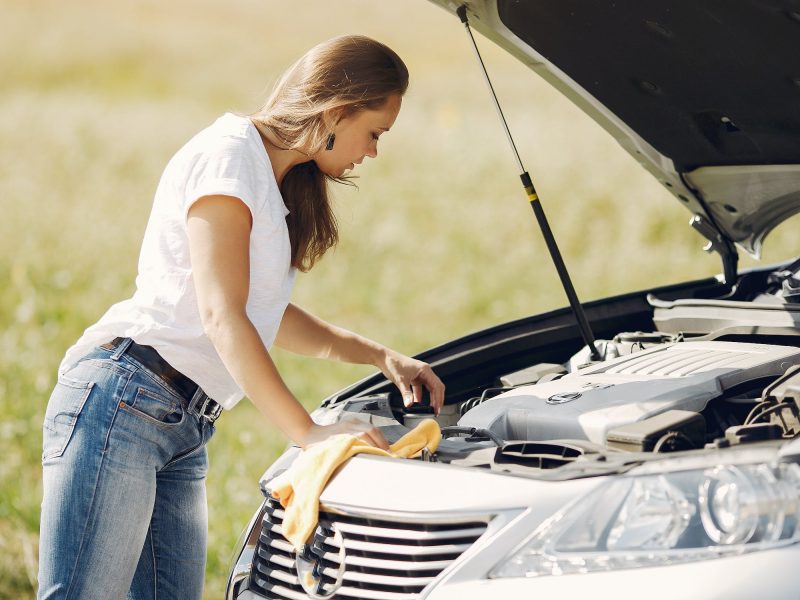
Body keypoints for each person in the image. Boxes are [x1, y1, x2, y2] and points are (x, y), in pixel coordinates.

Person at [37, 35, 445, 600]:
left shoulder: (273, 180)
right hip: (123, 404)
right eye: (375, 133)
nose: (373, 152)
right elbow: (222, 316)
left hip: (182, 426)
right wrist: (309, 434)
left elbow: (264, 314)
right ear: (337, 110)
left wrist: (380, 355)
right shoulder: (229, 157)